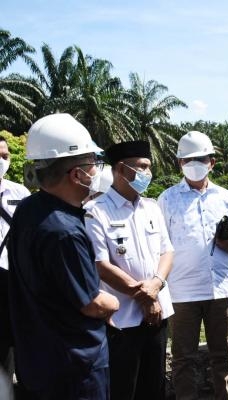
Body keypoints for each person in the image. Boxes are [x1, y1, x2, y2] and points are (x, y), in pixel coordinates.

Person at [8, 113, 119, 399]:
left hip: (38, 361)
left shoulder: (29, 209)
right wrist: (114, 301)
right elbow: (92, 304)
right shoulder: (64, 231)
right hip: (74, 368)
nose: (96, 170)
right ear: (77, 174)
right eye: (93, 163)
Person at [158, 131, 228, 400]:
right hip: (182, 293)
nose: (194, 163)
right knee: (183, 358)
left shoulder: (225, 197)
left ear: (212, 162)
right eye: (188, 159)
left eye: (201, 158)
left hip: (220, 290)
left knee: (223, 355)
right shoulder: (167, 199)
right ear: (179, 163)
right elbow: (161, 247)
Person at [84, 140, 174, 400]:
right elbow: (101, 264)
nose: (147, 173)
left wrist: (155, 286)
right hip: (122, 320)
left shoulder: (152, 208)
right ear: (120, 169)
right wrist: (144, 296)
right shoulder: (96, 212)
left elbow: (167, 252)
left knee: (154, 387)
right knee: (124, 388)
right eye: (141, 167)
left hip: (157, 315)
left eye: (149, 167)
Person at [0, 136, 31, 378]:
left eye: (5, 156)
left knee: (19, 346)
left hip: (14, 281)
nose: (2, 161)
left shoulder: (20, 192)